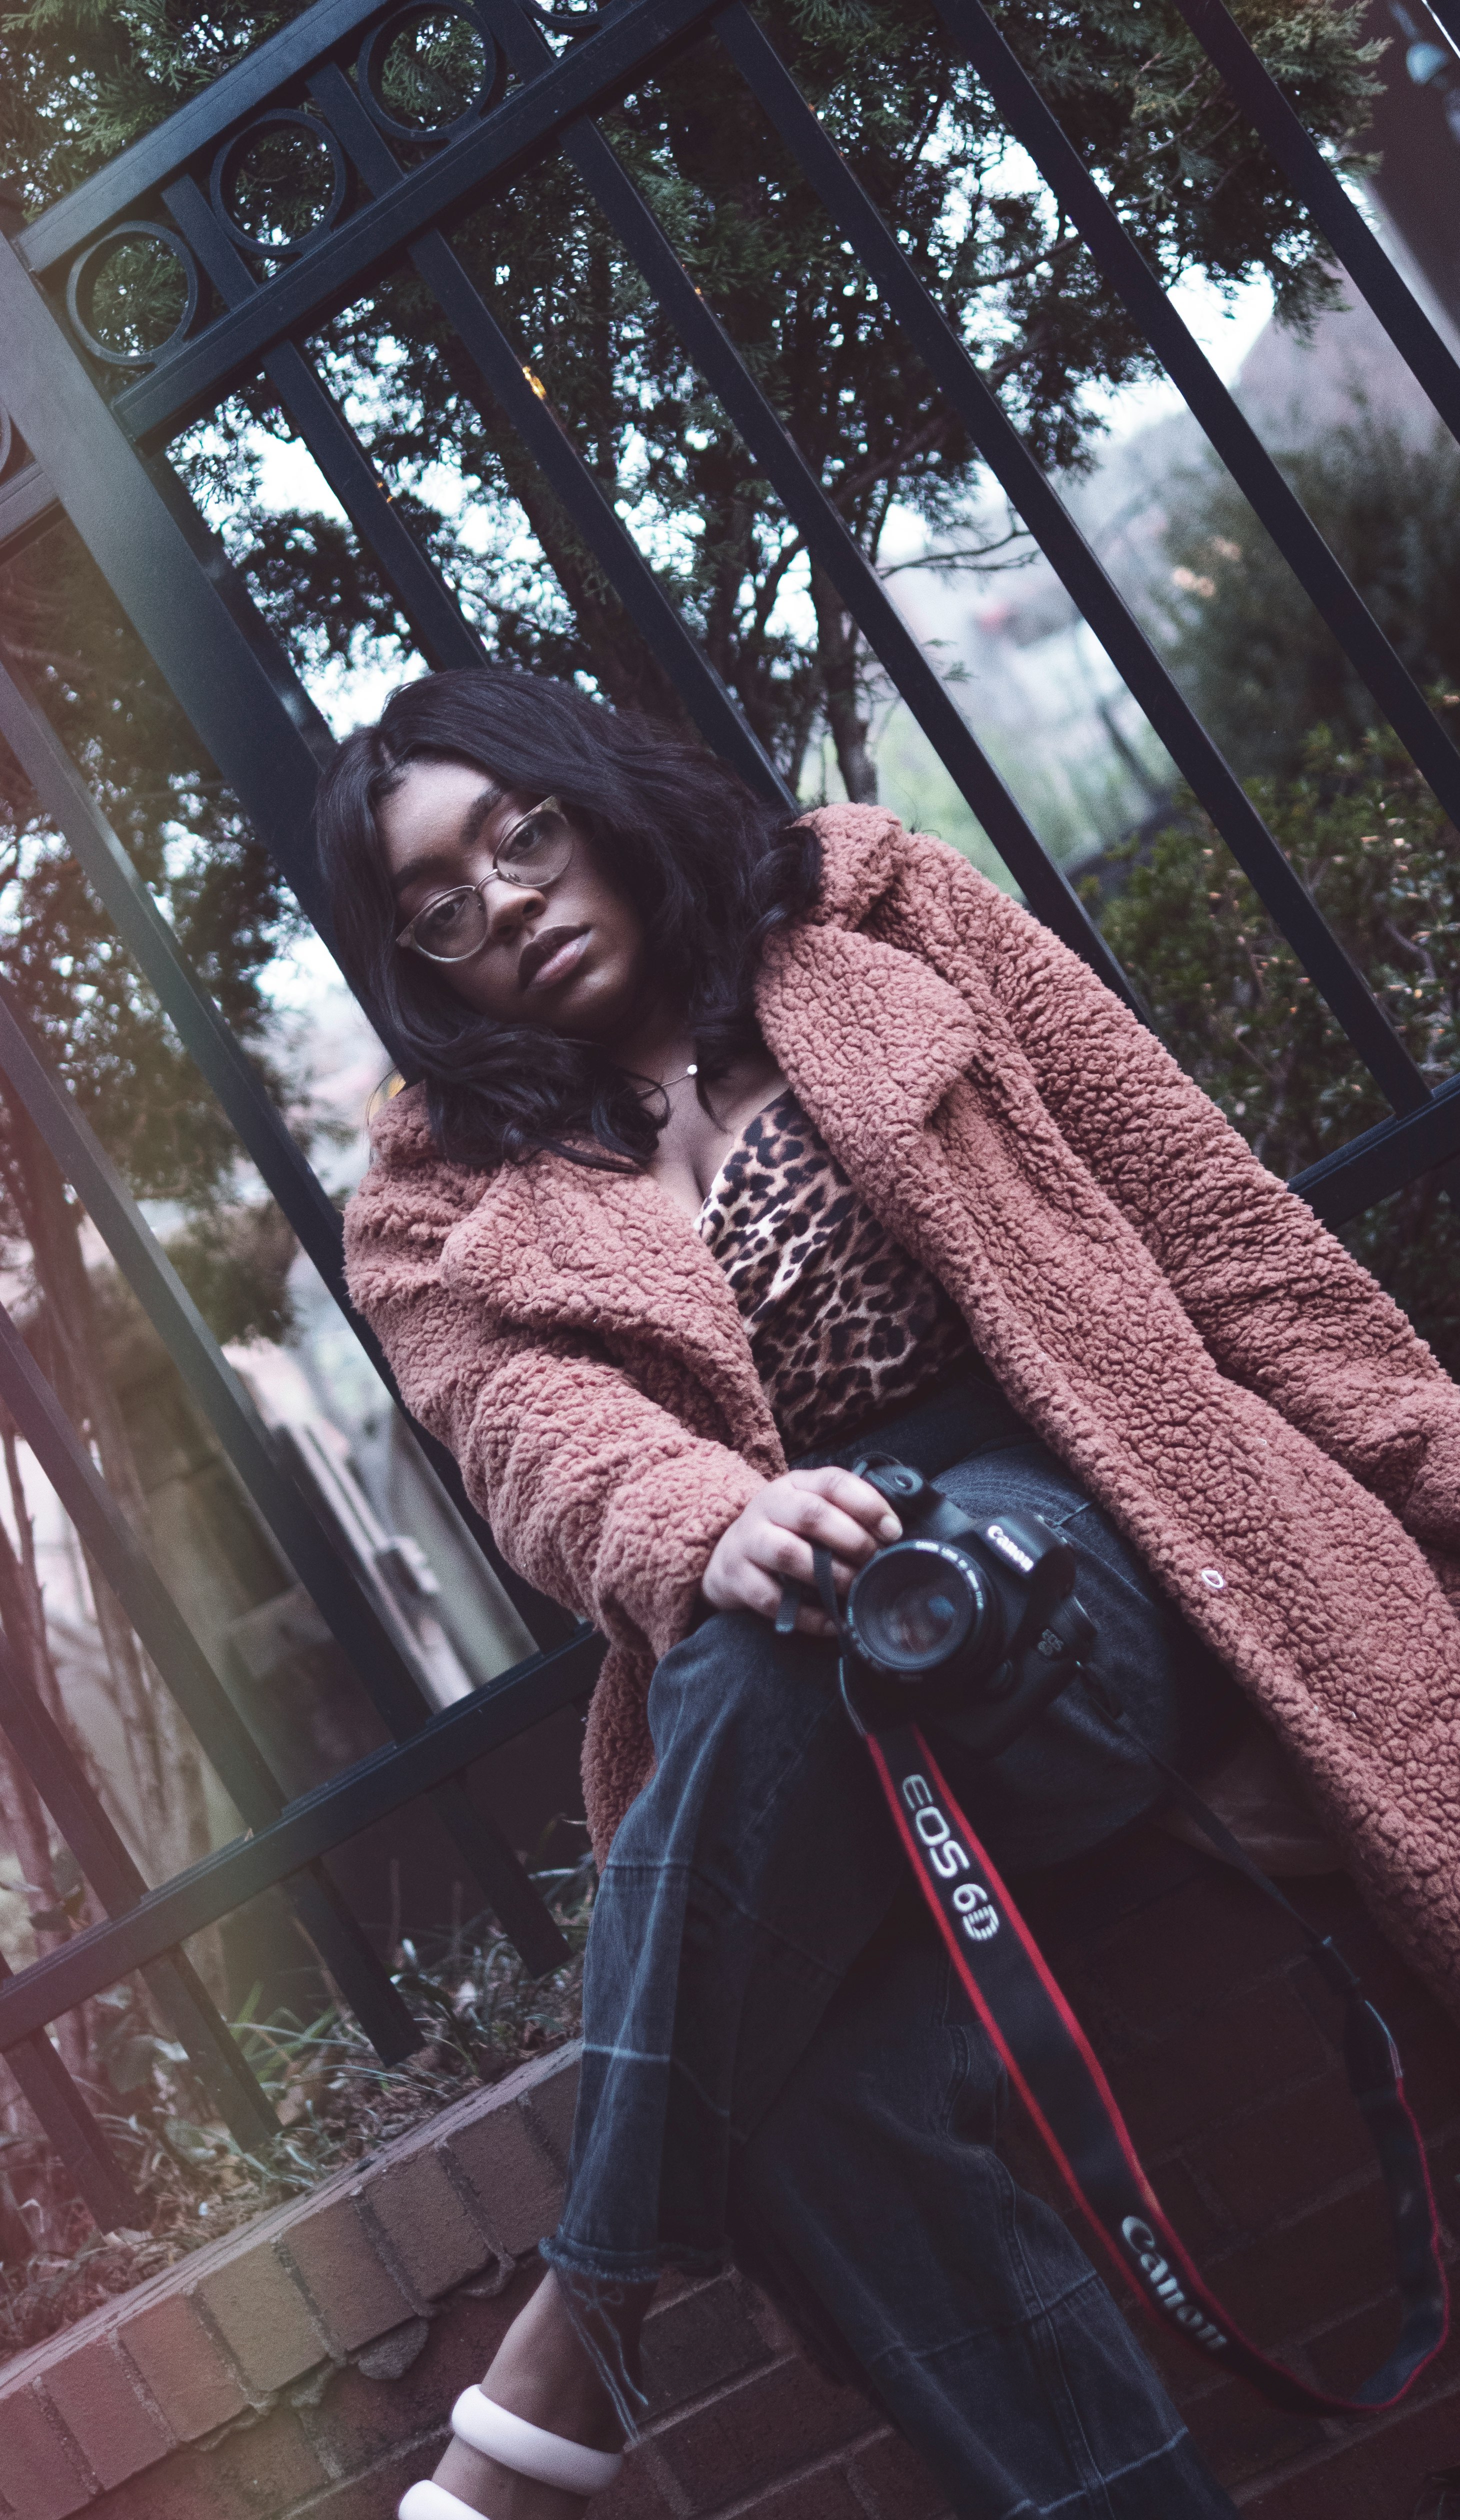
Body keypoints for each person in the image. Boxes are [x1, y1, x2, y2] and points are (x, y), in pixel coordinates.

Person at [320, 670, 1460, 2520]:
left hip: (1101, 1556)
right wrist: (700, 1522)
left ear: (597, 798)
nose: (503, 902)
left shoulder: (874, 913)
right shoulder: (433, 1198)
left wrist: (1429, 1477)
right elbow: (526, 1431)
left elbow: (1214, 1223)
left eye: (521, 835)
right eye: (439, 909)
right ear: (421, 969)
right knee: (806, 2111)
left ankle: (575, 2336)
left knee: (874, 1574)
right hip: (811, 1690)